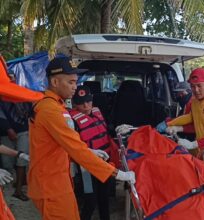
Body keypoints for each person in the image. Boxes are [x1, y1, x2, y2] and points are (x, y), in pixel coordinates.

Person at [28, 57, 135, 219]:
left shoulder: (55, 105)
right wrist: (117, 174)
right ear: (55, 82)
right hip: (50, 185)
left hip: (58, 180)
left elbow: (60, 143)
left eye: (75, 82)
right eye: (70, 82)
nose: (74, 87)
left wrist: (90, 151)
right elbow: (75, 148)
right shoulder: (50, 110)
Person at [0, 54, 43, 220]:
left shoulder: (19, 98)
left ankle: (17, 189)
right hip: (8, 131)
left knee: (18, 164)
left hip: (21, 130)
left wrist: (18, 154)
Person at [69, 85, 119, 220]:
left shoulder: (97, 112)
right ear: (74, 104)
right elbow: (72, 146)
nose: (86, 105)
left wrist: (118, 130)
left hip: (104, 162)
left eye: (88, 101)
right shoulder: (72, 121)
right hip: (87, 168)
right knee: (90, 201)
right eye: (81, 103)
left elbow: (105, 131)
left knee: (104, 197)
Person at [157, 68, 204, 158]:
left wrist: (193, 144)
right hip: (199, 149)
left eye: (199, 86)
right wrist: (176, 127)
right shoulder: (194, 101)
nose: (196, 90)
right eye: (192, 86)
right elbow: (195, 123)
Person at [0, 72, 32, 201]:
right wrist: (8, 129)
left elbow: (29, 109)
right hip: (4, 132)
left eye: (13, 79)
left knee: (21, 161)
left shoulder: (20, 92)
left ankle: (18, 190)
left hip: (22, 129)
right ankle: (6, 193)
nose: (11, 82)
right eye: (9, 80)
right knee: (7, 164)